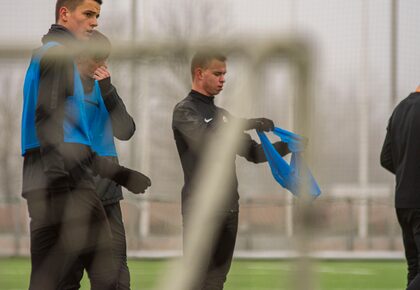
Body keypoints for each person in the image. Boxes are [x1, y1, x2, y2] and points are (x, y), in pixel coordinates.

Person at [20, 1, 150, 289]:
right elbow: (49, 124)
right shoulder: (56, 58)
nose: (94, 23)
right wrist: (58, 186)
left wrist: (121, 175)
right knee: (103, 275)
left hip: (69, 179)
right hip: (65, 181)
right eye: (89, 15)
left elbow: (117, 132)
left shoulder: (52, 60)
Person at [172, 52, 290, 290]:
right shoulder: (184, 111)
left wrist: (288, 146)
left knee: (216, 281)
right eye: (217, 73)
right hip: (201, 209)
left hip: (229, 209)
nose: (223, 79)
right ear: (199, 73)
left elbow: (254, 153)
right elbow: (207, 142)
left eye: (225, 74)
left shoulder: (223, 117)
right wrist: (244, 123)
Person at [62, 30, 135, 290]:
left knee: (117, 274)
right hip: (77, 191)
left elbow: (126, 131)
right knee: (69, 273)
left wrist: (109, 91)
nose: (102, 65)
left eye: (105, 59)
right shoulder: (65, 86)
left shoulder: (105, 90)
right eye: (97, 59)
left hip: (109, 194)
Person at [380, 85, 420, 290]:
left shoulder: (399, 109)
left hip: (402, 201)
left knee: (414, 269)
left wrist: (408, 175)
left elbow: (385, 158)